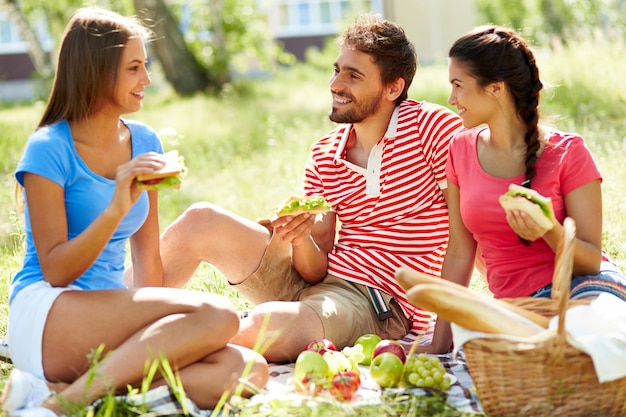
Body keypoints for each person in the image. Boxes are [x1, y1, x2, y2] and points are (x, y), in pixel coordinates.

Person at [0, 7, 268, 417]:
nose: (147, 79)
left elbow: (148, 262)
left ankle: (60, 391)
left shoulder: (145, 142)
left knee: (246, 369)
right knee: (220, 316)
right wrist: (115, 207)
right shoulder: (48, 148)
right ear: (97, 71)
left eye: (146, 66)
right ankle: (60, 405)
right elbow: (55, 271)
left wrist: (163, 334)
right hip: (48, 313)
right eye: (134, 68)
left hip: (111, 313)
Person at [153, 13, 464, 363]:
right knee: (200, 220)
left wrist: (450, 329)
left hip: (378, 304)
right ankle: (112, 317)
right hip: (319, 285)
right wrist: (299, 236)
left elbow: (468, 226)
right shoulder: (325, 153)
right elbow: (314, 269)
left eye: (353, 75)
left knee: (266, 328)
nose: (336, 84)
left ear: (393, 87)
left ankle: (149, 351)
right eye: (337, 70)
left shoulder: (430, 127)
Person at [424, 25, 626, 354]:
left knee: (587, 342)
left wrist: (548, 230)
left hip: (581, 295)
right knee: (485, 342)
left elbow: (590, 261)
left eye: (458, 85)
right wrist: (439, 345)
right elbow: (460, 254)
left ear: (496, 88)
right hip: (516, 311)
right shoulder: (459, 150)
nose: (451, 99)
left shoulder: (569, 153)